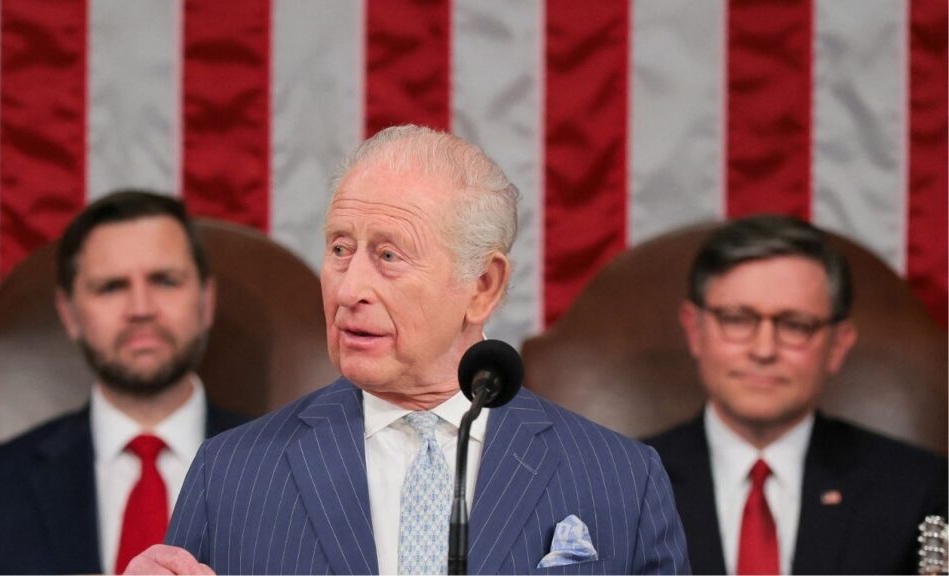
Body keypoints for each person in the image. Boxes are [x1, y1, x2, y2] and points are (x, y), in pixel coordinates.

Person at [126, 125, 689, 575]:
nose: (349, 290)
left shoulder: (619, 478)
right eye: (340, 249)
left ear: (483, 286)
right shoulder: (231, 475)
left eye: (389, 256)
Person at [0, 190, 247, 575]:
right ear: (69, 314)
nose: (141, 309)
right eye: (111, 287)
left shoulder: (289, 467)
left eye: (165, 280)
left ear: (206, 301)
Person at [645, 215, 948, 575]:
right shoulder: (626, 482)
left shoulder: (919, 489)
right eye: (737, 319)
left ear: (837, 345)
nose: (763, 349)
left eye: (795, 325)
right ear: (694, 330)